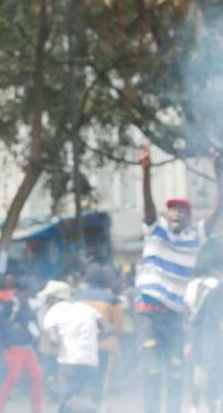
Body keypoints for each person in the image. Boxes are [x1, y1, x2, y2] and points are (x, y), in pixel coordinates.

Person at [136, 143, 223, 413]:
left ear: (189, 217)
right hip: (149, 313)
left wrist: (219, 172)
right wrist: (146, 172)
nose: (176, 214)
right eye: (172, 210)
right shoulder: (155, 230)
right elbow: (149, 205)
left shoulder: (194, 237)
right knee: (151, 371)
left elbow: (219, 211)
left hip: (173, 315)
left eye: (182, 211)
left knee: (175, 372)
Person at [40, 280, 104, 412]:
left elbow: (53, 339)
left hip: (69, 361)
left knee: (67, 401)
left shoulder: (54, 311)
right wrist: (91, 339)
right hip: (91, 361)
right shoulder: (86, 308)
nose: (46, 303)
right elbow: (108, 328)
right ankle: (93, 407)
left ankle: (96, 410)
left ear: (56, 298)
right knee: (83, 396)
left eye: (48, 299)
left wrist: (59, 345)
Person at [75, 263, 124, 406]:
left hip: (81, 346)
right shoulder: (112, 299)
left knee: (83, 384)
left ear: (86, 279)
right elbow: (119, 328)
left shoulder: (77, 298)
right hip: (105, 347)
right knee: (101, 384)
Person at [0, 280, 43, 413]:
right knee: (13, 377)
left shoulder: (25, 303)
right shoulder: (10, 302)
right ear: (25, 290)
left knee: (37, 375)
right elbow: (0, 320)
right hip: (14, 347)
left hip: (27, 347)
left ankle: (37, 409)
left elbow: (30, 320)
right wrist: (10, 336)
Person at [184, 254, 223, 413]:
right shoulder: (214, 293)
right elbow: (199, 321)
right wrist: (191, 342)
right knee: (210, 379)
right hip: (212, 349)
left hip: (210, 348)